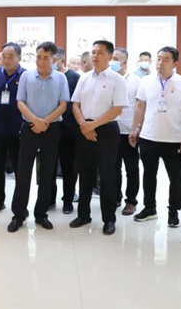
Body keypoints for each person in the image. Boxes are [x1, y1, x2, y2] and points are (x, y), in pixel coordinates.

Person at [8, 41, 69, 233]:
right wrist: (36, 120)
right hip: (30, 128)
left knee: (47, 172)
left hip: (52, 129)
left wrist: (45, 122)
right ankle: (19, 214)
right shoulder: (26, 76)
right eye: (38, 56)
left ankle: (41, 213)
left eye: (46, 58)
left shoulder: (60, 78)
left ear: (54, 59)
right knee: (23, 172)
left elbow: (63, 105)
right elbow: (20, 102)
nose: (41, 61)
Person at [70, 40, 128, 235]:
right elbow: (75, 104)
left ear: (110, 56)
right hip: (84, 129)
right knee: (85, 173)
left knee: (107, 175)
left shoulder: (116, 79)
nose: (94, 56)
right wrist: (84, 125)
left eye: (99, 52)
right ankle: (83, 215)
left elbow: (117, 109)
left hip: (106, 131)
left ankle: (109, 219)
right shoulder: (84, 78)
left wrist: (92, 125)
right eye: (93, 52)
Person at [130, 47, 181, 227]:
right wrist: (134, 129)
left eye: (165, 59)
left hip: (173, 138)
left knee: (175, 177)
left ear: (175, 64)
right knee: (149, 174)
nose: (160, 63)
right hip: (149, 136)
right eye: (158, 59)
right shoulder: (146, 81)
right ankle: (149, 208)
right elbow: (140, 106)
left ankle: (173, 211)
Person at [0, 42, 25, 215]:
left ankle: (20, 205)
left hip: (18, 130)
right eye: (4, 56)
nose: (6, 60)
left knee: (19, 169)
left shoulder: (25, 76)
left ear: (19, 58)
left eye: (11, 57)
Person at [110, 47, 142, 216]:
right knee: (113, 168)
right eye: (111, 58)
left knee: (132, 168)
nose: (112, 61)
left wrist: (137, 129)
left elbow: (140, 106)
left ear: (124, 62)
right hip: (111, 131)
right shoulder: (108, 78)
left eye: (115, 58)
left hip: (129, 133)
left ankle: (131, 201)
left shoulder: (136, 81)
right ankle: (115, 197)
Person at [49, 47, 80, 214]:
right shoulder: (48, 77)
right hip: (50, 128)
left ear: (61, 59)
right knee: (49, 167)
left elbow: (78, 103)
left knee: (69, 168)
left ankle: (68, 200)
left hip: (70, 131)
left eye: (54, 60)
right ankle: (49, 199)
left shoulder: (74, 77)